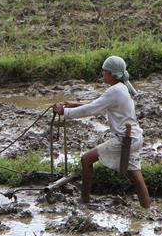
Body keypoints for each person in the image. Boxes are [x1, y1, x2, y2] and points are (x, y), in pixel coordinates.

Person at [53, 56, 151, 209]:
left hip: (124, 139)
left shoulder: (115, 90)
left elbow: (91, 109)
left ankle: (84, 201)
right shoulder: (121, 88)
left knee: (86, 159)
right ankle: (147, 208)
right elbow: (99, 106)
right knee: (136, 177)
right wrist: (74, 105)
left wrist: (65, 111)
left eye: (104, 71)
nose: (102, 74)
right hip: (134, 137)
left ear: (113, 74)